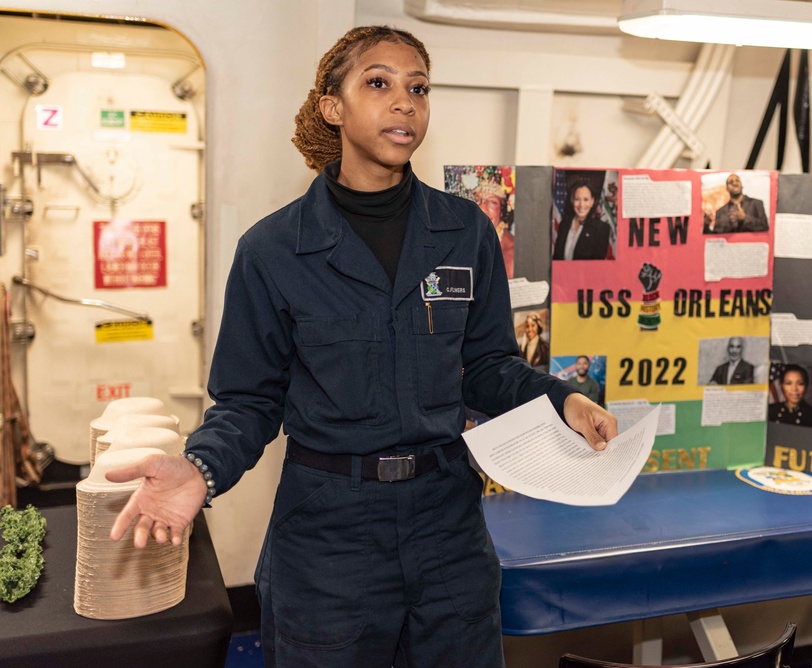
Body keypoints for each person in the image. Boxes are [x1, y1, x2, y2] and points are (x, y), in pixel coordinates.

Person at [105, 25, 616, 668]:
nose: (405, 102)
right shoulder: (272, 250)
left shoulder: (464, 233)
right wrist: (201, 467)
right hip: (327, 536)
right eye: (379, 83)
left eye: (419, 88)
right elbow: (248, 401)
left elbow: (488, 367)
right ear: (333, 108)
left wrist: (561, 399)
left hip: (447, 526)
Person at [552, 180, 611, 260]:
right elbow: (557, 258)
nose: (581, 205)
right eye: (577, 199)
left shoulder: (601, 229)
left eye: (586, 199)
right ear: (572, 200)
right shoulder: (564, 224)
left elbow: (596, 267)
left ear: (592, 201)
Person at [473, 177, 515, 278]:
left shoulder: (513, 252)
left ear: (503, 208)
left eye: (492, 202)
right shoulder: (467, 241)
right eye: (478, 200)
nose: (482, 208)